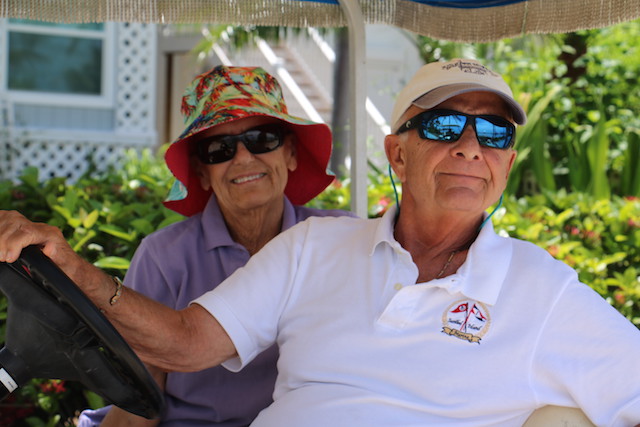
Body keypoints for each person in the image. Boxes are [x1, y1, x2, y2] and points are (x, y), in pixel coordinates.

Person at [1, 58, 639, 426]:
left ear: (508, 161)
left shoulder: (543, 290)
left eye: (495, 132)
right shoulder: (313, 245)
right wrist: (70, 266)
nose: (471, 147)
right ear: (397, 153)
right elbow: (187, 344)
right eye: (446, 125)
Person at [75, 65, 355, 426]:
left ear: (290, 153)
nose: (243, 158)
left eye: (262, 139)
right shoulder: (163, 257)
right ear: (201, 172)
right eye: (218, 149)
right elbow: (139, 403)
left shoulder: (340, 239)